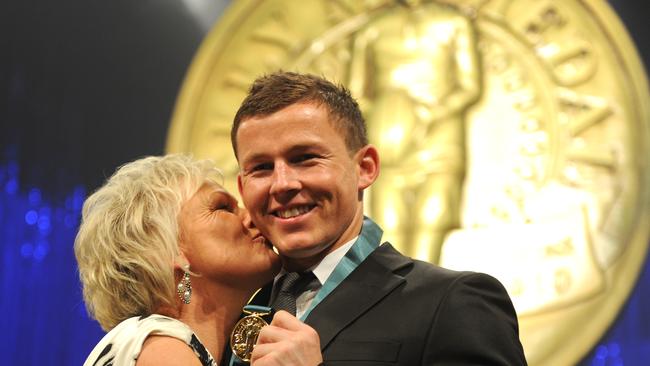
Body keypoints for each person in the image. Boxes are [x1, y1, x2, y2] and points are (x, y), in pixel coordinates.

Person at [231, 71, 527, 365]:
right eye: (261, 167)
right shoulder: (232, 314)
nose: (282, 184)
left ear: (365, 168)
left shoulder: (453, 302)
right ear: (243, 188)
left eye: (305, 158)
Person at [74, 154, 312, 366]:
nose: (251, 218)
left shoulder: (158, 344)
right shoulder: (162, 349)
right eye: (224, 208)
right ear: (167, 250)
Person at [348, 0, 481, 263]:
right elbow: (355, 94)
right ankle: (398, 299)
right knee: (390, 225)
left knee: (433, 217)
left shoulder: (454, 24)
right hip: (390, 143)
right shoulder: (372, 29)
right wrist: (391, 115)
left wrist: (430, 114)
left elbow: (470, 86)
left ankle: (429, 298)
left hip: (440, 142)